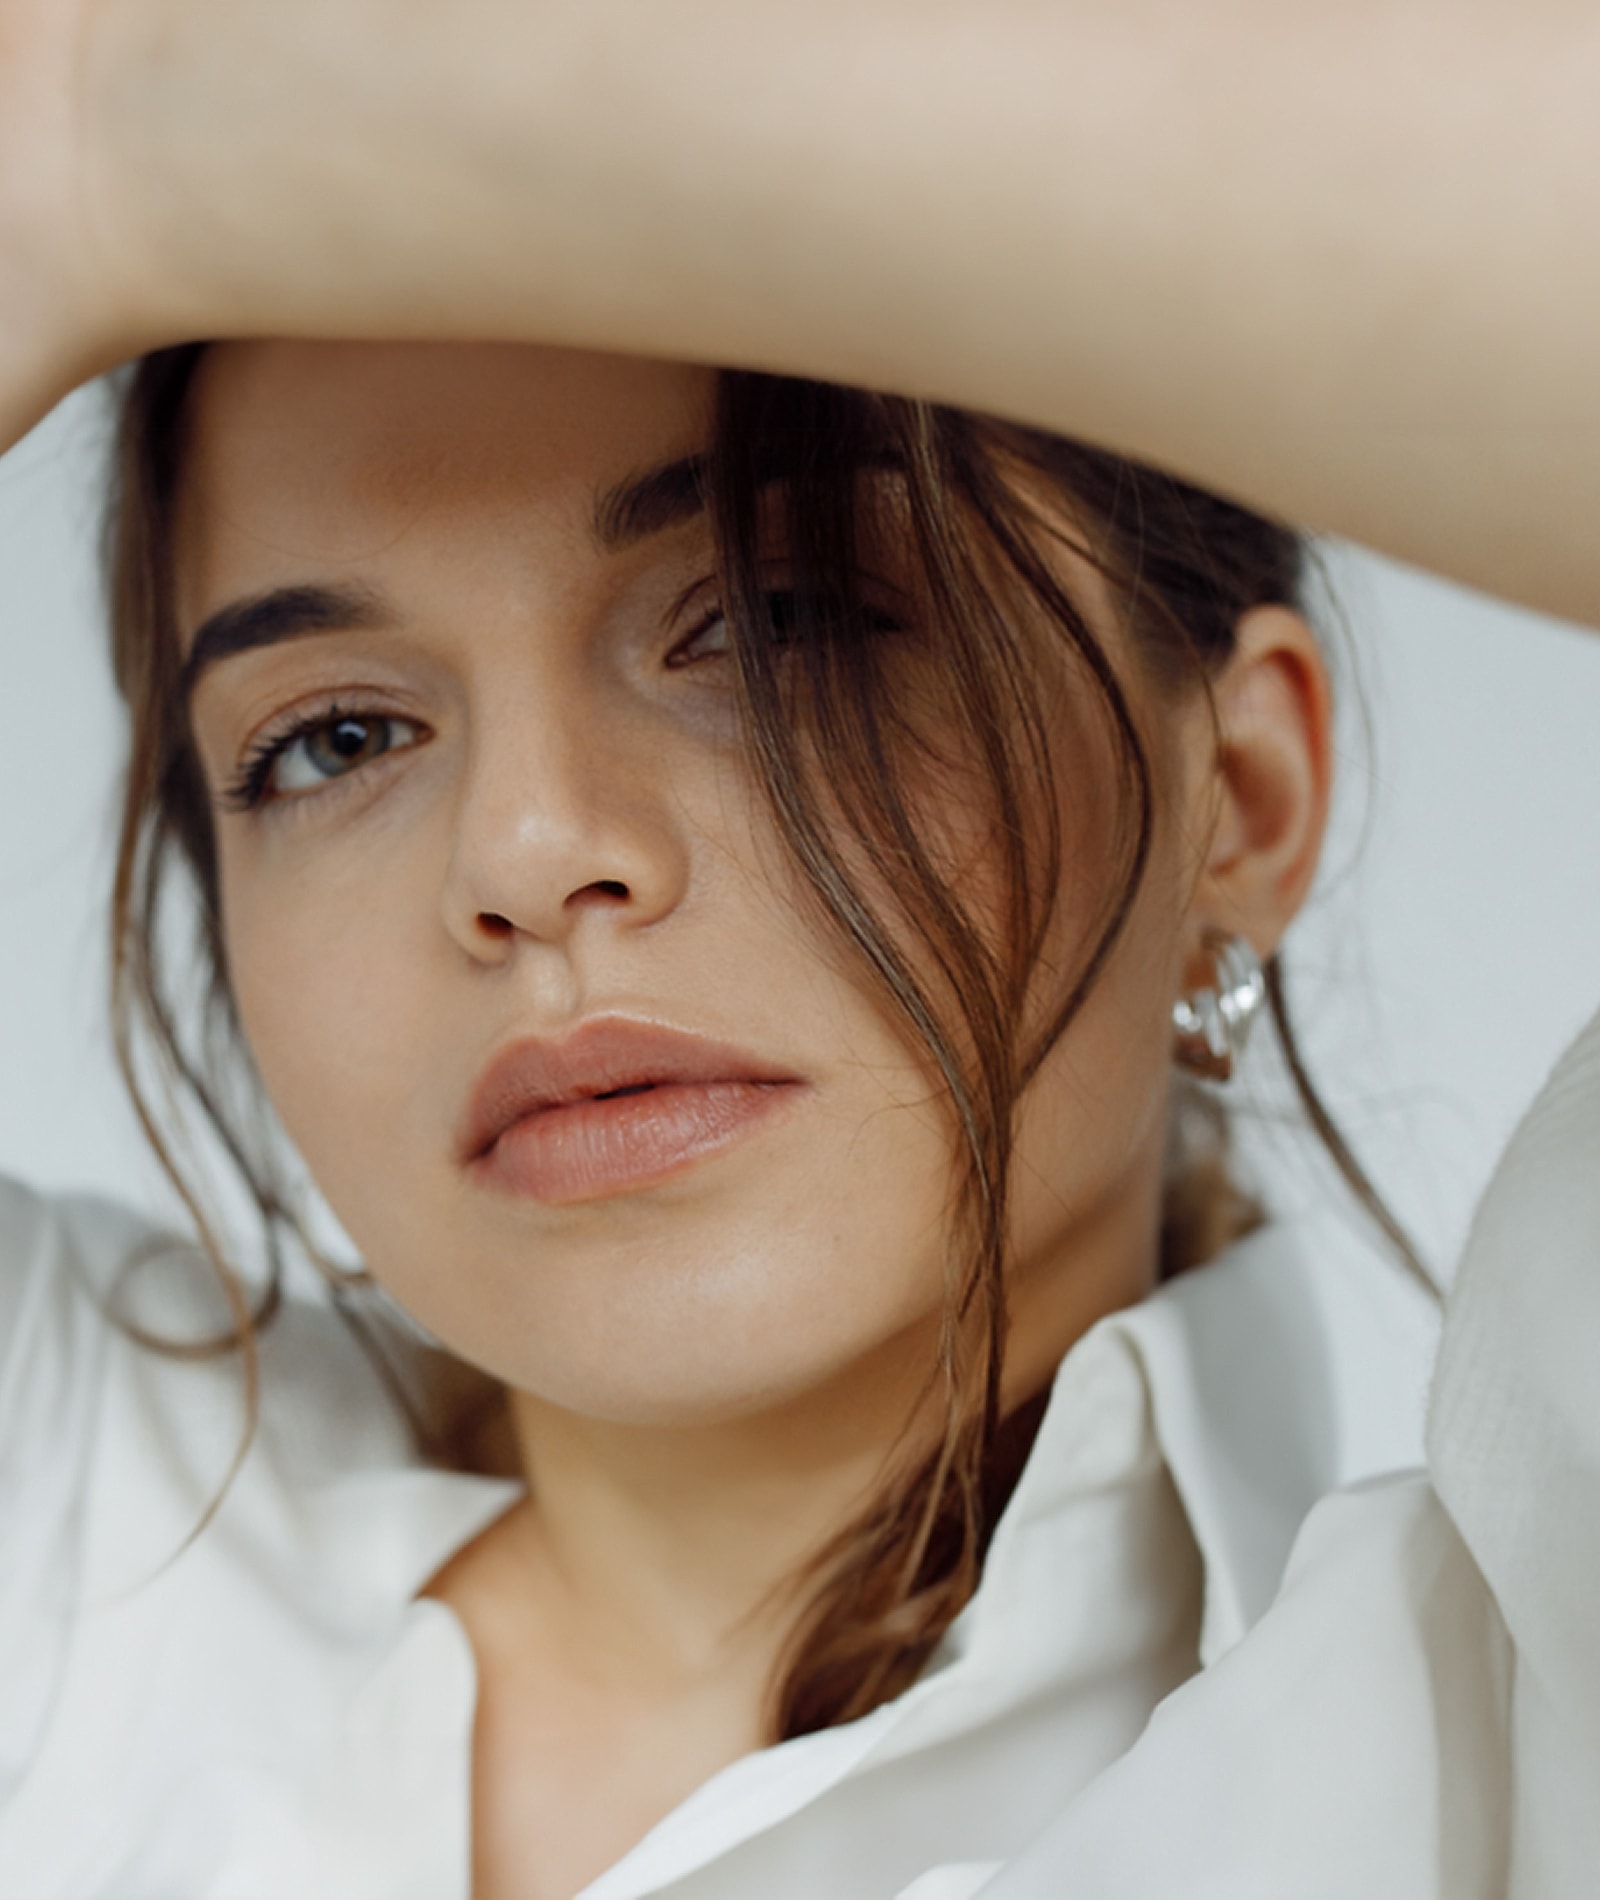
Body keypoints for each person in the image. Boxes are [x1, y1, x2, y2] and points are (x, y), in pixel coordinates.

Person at [1, 6, 1596, 1898]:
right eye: (337, 738)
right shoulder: (57, 1490)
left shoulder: (1492, 1758)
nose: (523, 855)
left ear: (1236, 802)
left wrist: (119, 139)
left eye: (782, 623)